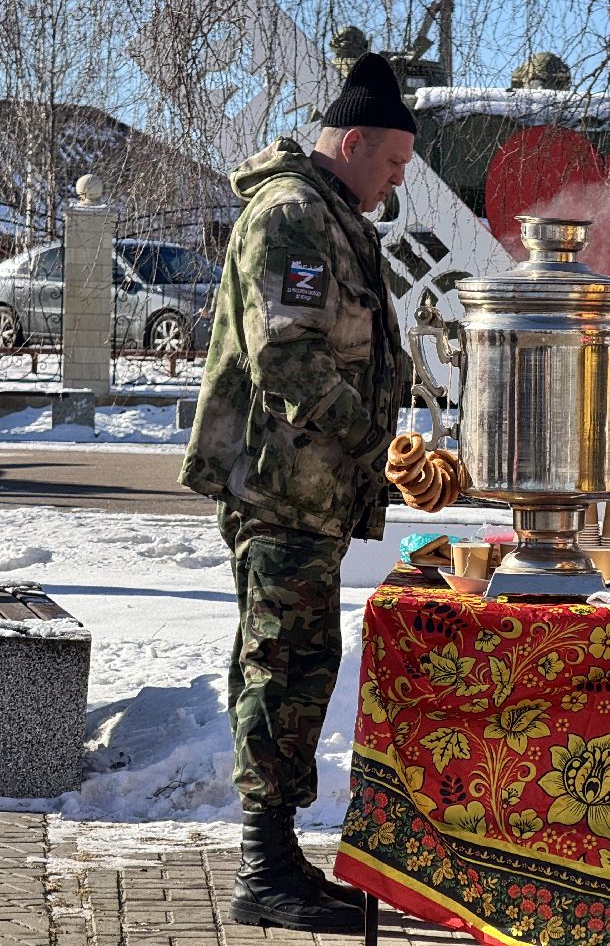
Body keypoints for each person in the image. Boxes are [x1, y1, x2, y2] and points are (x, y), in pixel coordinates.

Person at [179, 53, 415, 933]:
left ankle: (278, 861)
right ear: (353, 142)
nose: (395, 184)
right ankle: (263, 871)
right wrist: (377, 441)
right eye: (391, 165)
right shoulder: (289, 218)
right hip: (280, 490)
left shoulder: (331, 216)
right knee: (281, 670)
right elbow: (289, 360)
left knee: (303, 669)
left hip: (308, 494)